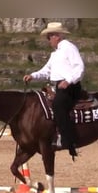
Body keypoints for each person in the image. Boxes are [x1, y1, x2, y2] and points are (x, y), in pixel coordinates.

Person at [23, 22, 85, 158]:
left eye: (49, 37)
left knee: (58, 104)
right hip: (58, 86)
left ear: (56, 36)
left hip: (70, 87)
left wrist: (68, 81)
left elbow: (79, 66)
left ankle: (67, 139)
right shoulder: (55, 54)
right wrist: (33, 75)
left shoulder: (69, 47)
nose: (48, 40)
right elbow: (46, 71)